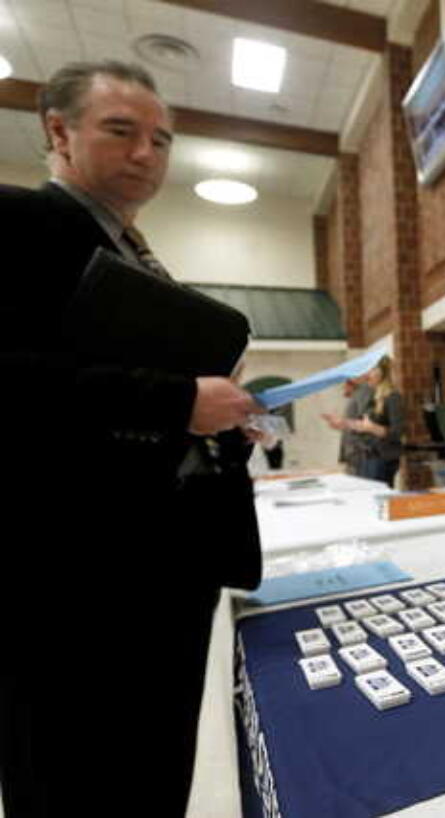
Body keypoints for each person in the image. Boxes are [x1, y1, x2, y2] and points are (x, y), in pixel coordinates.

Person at [0, 61, 263, 816]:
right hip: (73, 581)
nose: (148, 153)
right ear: (59, 130)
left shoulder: (136, 259)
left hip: (163, 564)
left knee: (153, 769)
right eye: (122, 131)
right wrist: (179, 399)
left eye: (162, 139)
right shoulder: (20, 226)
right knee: (77, 777)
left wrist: (226, 421)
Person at [326, 356, 404, 486]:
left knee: (376, 501)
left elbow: (397, 433)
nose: (368, 373)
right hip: (365, 458)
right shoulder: (371, 395)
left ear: (382, 372)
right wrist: (343, 423)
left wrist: (373, 428)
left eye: (372, 369)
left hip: (381, 458)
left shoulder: (393, 397)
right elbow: (364, 425)